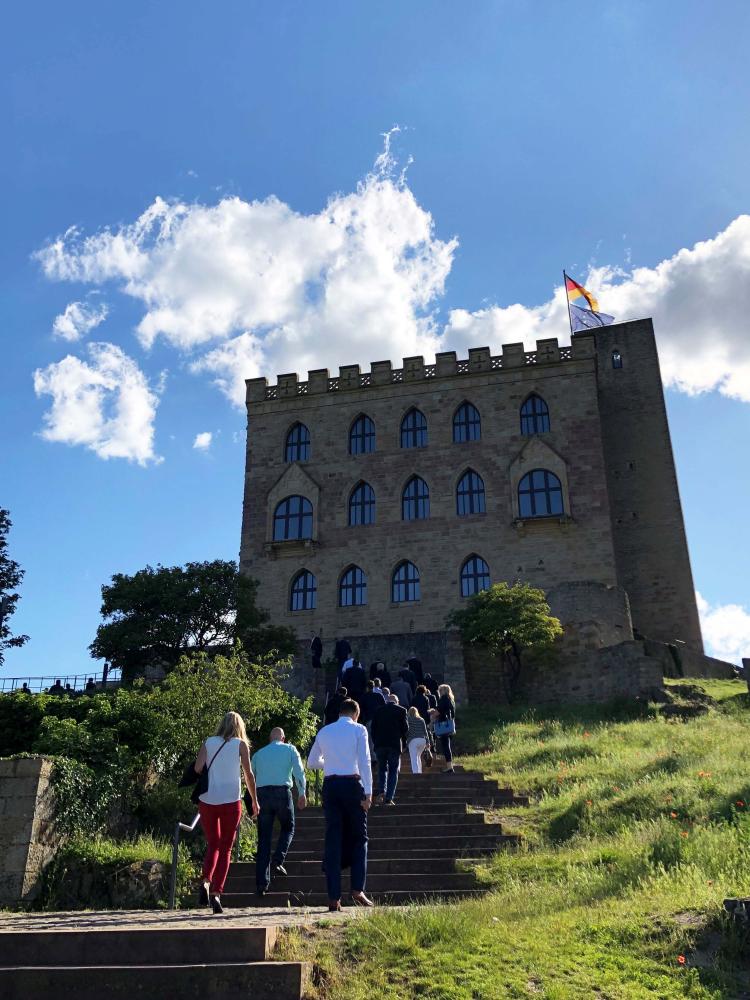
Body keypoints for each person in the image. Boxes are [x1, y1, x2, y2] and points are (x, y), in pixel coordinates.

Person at [307, 698, 373, 911]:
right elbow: (365, 760)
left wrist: (331, 764)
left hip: (331, 786)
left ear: (339, 713)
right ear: (356, 713)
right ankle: (357, 888)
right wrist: (369, 793)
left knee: (333, 839)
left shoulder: (324, 731)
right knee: (360, 837)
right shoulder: (359, 729)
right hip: (352, 785)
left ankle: (334, 897)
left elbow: (311, 762)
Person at [193, 711, 259, 914]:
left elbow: (197, 768)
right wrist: (254, 801)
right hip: (231, 801)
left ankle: (205, 880)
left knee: (213, 844)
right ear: (240, 726)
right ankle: (216, 893)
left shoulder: (209, 742)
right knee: (226, 848)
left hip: (207, 800)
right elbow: (248, 774)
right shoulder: (240, 745)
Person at [251, 727, 307, 897]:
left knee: (264, 839)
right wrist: (302, 792)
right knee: (288, 827)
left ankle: (262, 884)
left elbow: (250, 777)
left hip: (262, 794)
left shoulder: (259, 754)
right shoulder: (290, 749)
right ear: (283, 738)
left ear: (270, 738)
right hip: (282, 793)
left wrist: (252, 801)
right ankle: (278, 859)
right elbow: (299, 771)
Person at [371, 694, 409, 806]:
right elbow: (405, 729)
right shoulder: (402, 710)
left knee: (382, 769)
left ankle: (381, 792)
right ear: (396, 701)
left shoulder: (378, 710)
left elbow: (373, 729)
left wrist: (376, 742)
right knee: (393, 771)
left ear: (387, 701)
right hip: (394, 745)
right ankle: (389, 798)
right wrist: (403, 740)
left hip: (380, 745)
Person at [436, 684, 456, 773]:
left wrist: (432, 712)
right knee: (447, 746)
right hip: (449, 725)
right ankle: (449, 766)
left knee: (445, 747)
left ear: (443, 691)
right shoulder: (451, 700)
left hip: (443, 725)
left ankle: (449, 767)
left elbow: (439, 711)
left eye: (440, 690)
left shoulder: (443, 699)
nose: (439, 692)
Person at [406, 706, 429, 774]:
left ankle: (416, 774)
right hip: (422, 740)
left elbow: (406, 731)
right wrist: (428, 742)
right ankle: (419, 772)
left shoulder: (408, 719)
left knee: (414, 758)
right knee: (418, 756)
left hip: (413, 740)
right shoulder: (421, 719)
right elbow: (425, 732)